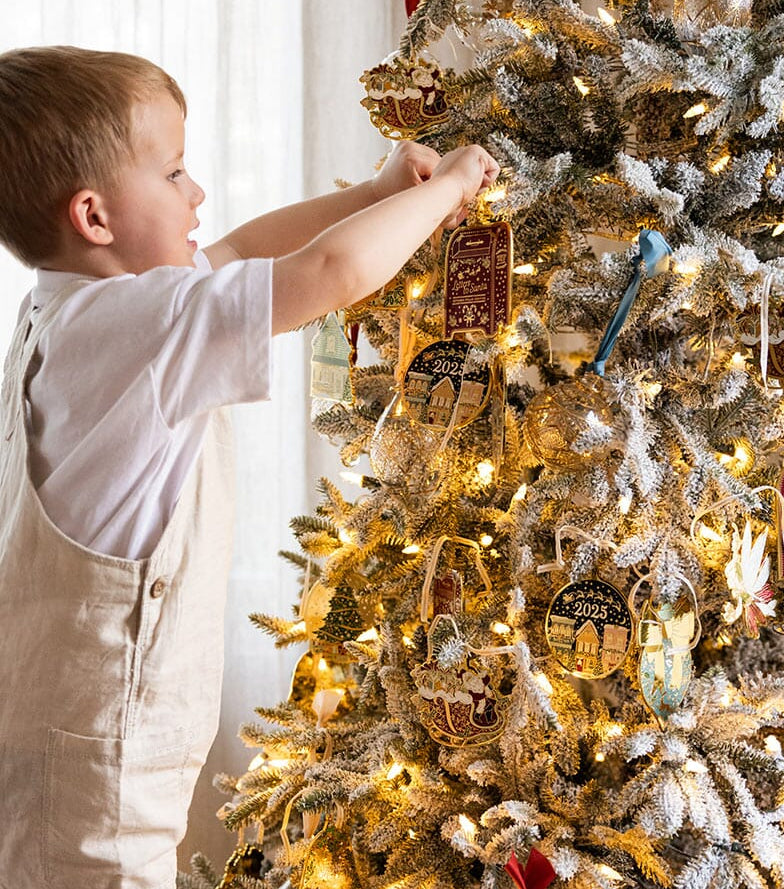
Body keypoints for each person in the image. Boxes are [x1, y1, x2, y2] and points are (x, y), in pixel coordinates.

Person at [0, 45, 499, 889]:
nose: (196, 193)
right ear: (94, 216)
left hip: (60, 739)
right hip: (101, 783)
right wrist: (451, 187)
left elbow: (232, 253)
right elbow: (327, 272)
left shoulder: (75, 310)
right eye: (173, 172)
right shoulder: (140, 326)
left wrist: (372, 195)